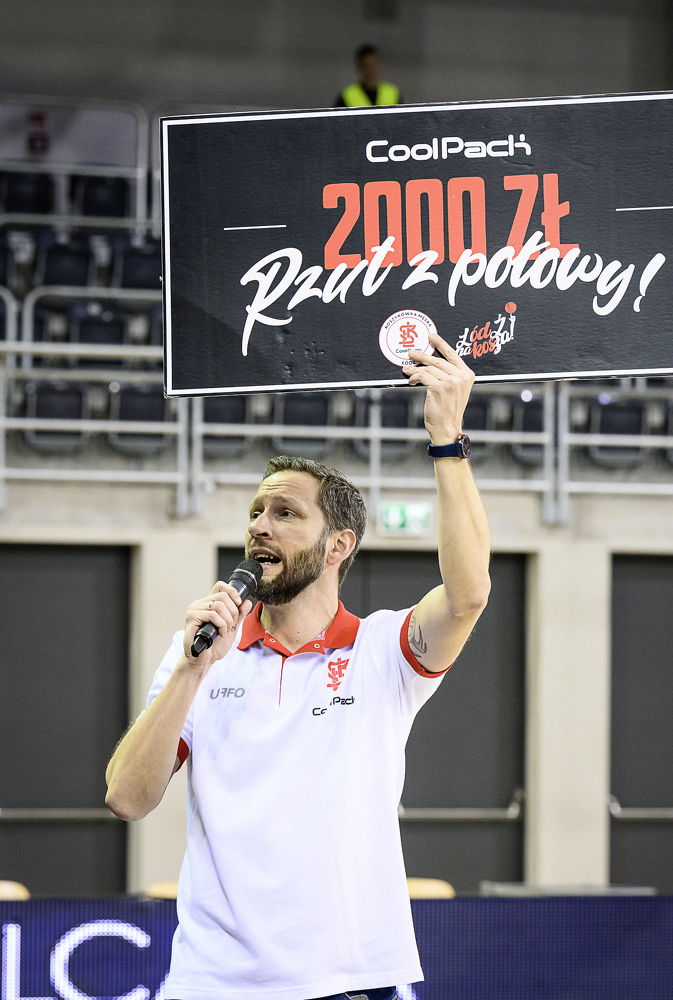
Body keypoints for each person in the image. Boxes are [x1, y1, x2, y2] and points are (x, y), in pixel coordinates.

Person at [105, 330, 491, 1000]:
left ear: (338, 545)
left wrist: (447, 439)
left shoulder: (381, 651)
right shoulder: (199, 652)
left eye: (285, 513)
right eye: (256, 512)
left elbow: (469, 596)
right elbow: (127, 798)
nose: (260, 525)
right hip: (211, 983)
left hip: (349, 980)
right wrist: (192, 670)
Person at [335, 44, 401, 108]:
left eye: (374, 65)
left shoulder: (393, 93)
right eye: (367, 66)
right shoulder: (347, 96)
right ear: (360, 67)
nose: (371, 70)